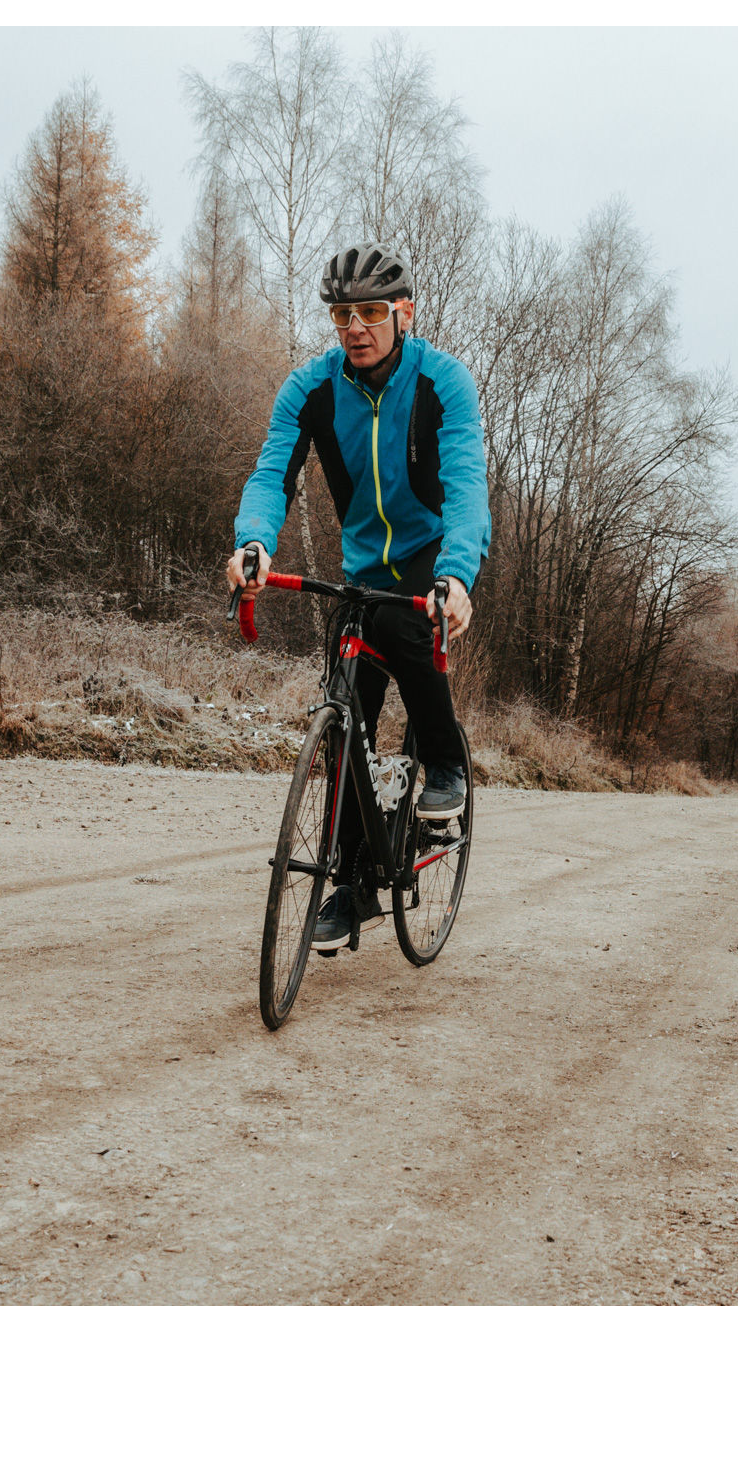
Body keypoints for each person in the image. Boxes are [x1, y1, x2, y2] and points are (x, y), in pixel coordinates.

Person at [226, 241, 490, 949]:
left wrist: (457, 577)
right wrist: (254, 540)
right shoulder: (310, 388)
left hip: (432, 559)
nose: (355, 327)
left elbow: (467, 491)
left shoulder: (443, 383)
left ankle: (446, 764)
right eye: (343, 313)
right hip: (363, 567)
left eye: (371, 311)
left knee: (409, 637)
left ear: (403, 313)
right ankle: (351, 887)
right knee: (345, 716)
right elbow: (272, 471)